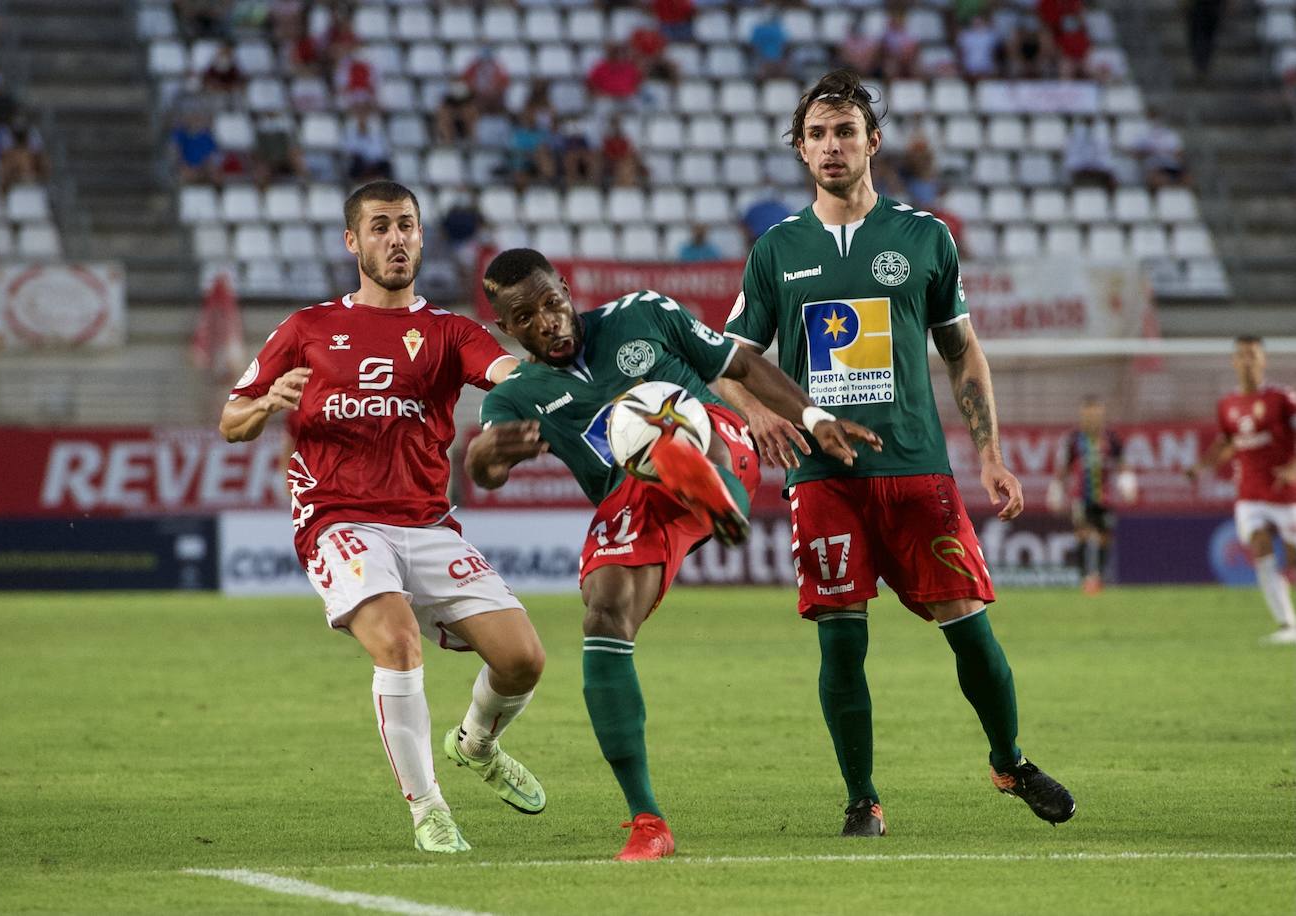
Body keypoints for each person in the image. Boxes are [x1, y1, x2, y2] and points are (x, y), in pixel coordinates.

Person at [718, 68, 1076, 839]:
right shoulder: (776, 249)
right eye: (816, 134)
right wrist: (758, 415)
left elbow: (964, 352)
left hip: (917, 467)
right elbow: (730, 358)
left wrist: (990, 454)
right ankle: (862, 798)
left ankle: (1010, 762)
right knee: (842, 638)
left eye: (845, 130)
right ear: (800, 150)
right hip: (823, 477)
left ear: (873, 141)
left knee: (970, 626)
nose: (831, 145)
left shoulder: (924, 237)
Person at [468, 248, 879, 861]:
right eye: (526, 318)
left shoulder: (641, 312)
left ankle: (692, 467)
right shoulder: (515, 397)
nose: (547, 323)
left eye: (552, 303)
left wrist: (813, 415)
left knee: (676, 425)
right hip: (631, 496)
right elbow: (484, 469)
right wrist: (488, 453)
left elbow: (739, 359)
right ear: (507, 328)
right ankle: (647, 822)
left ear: (566, 288)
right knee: (603, 617)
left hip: (719, 434)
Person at [218, 181, 548, 854]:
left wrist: (545, 379)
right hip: (338, 520)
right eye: (379, 227)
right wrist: (265, 405)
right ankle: (429, 808)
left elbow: (508, 373)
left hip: (427, 525)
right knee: (399, 642)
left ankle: (477, 745)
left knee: (523, 660)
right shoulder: (306, 329)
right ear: (353, 242)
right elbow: (232, 420)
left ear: (422, 238)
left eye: (406, 226)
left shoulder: (448, 331)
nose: (396, 238)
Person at [1188, 336, 1296, 645]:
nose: (1247, 360)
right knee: (1260, 547)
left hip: (1285, 493)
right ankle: (1287, 625)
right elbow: (1226, 441)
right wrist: (1202, 466)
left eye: (1253, 355)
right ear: (1234, 362)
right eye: (1242, 355)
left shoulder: (1282, 398)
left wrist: (1292, 468)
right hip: (1249, 494)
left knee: (1292, 560)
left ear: (1264, 360)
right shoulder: (1227, 405)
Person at [1048, 396, 1137, 595]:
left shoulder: (1112, 438)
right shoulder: (1073, 439)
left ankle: (1099, 577)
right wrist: (1056, 491)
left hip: (1105, 497)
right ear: (1082, 416)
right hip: (1081, 496)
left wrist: (1128, 485)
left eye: (1097, 414)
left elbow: (1122, 464)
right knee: (1082, 533)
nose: (1093, 419)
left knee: (1104, 537)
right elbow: (1063, 468)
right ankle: (1084, 577)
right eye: (1089, 415)